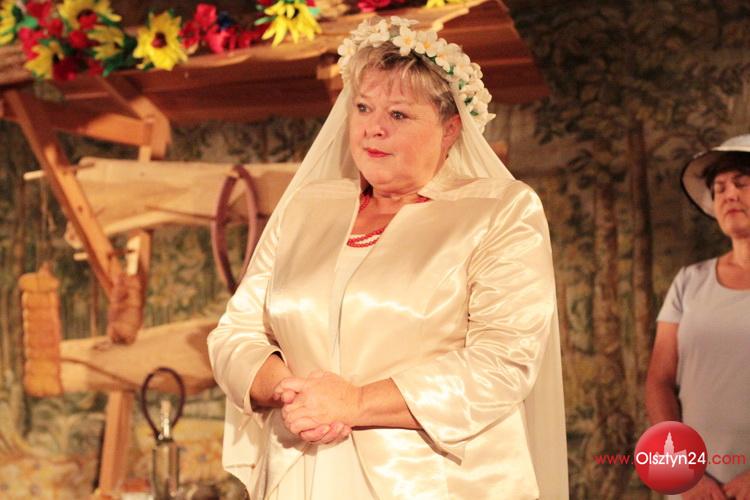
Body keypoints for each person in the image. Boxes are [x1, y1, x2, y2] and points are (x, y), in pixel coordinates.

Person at [208, 16, 568, 499]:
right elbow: (234, 334)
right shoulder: (307, 208)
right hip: (300, 469)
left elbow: (502, 361)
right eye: (363, 107)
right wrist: (290, 392)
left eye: (398, 115)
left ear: (450, 129)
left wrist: (354, 403)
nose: (373, 129)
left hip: (427, 482)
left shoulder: (499, 210)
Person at [646, 134, 750, 500]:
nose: (729, 194)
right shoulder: (689, 281)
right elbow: (659, 380)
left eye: (742, 183)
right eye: (719, 188)